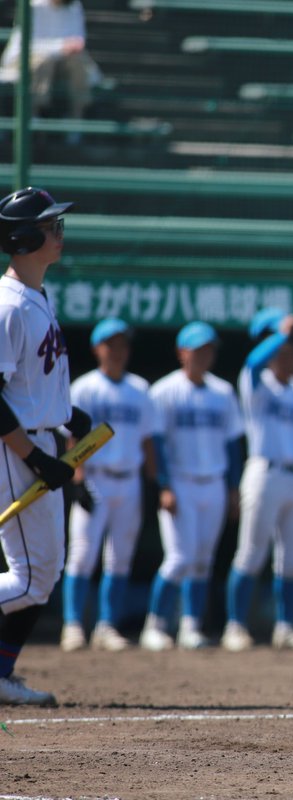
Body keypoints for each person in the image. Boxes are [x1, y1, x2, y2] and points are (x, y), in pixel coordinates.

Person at [0, 187, 86, 705]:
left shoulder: (36, 297)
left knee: (43, 576)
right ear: (24, 238)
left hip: (40, 441)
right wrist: (33, 458)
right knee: (30, 580)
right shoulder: (8, 306)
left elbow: (31, 385)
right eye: (50, 225)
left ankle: (2, 674)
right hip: (18, 449)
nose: (59, 232)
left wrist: (71, 417)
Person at [221, 309, 293, 652]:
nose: (288, 355)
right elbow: (253, 361)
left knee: (292, 558)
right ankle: (235, 626)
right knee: (251, 554)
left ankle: (286, 627)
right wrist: (281, 335)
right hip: (264, 473)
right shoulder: (257, 381)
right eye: (282, 349)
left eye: (292, 349)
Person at [140, 321, 244, 651]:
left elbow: (233, 445)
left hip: (213, 483)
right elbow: (155, 444)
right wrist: (164, 486)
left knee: (202, 560)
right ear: (181, 352)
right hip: (180, 483)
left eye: (209, 350)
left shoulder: (223, 392)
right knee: (179, 558)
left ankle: (191, 626)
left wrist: (233, 488)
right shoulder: (164, 391)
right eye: (198, 350)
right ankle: (155, 625)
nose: (204, 356)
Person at [60, 318, 156, 653]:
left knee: (120, 558)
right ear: (96, 348)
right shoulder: (85, 387)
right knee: (82, 555)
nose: (117, 350)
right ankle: (73, 625)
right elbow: (73, 438)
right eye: (110, 344)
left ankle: (106, 625)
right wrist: (78, 479)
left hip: (128, 480)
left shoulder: (140, 389)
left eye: (122, 344)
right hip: (95, 478)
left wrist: (152, 482)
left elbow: (147, 440)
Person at [0, 1, 104, 145]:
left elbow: (78, 39)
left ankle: (75, 121)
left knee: (77, 63)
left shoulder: (74, 5)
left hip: (62, 62)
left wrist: (69, 47)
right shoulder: (33, 5)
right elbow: (29, 44)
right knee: (44, 61)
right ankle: (33, 117)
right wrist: (60, 46)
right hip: (24, 59)